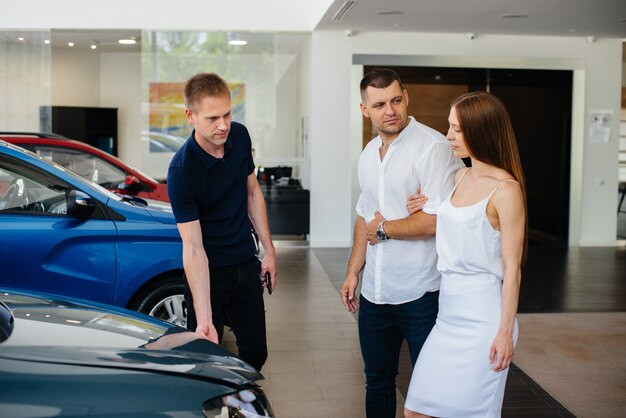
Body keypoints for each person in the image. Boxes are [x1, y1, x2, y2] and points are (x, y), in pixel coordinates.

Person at [341, 69, 464, 418]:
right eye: (379, 104)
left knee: (431, 386)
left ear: (406, 97)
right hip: (375, 295)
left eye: (396, 100)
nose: (390, 110)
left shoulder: (432, 147)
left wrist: (384, 230)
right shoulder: (367, 154)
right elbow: (364, 216)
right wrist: (353, 273)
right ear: (365, 110)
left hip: (421, 294)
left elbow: (435, 221)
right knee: (377, 381)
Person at [404, 91, 527, 418]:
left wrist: (504, 332)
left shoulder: (507, 190)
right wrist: (427, 204)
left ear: (481, 130)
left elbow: (513, 270)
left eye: (457, 129)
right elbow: (448, 216)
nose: (448, 136)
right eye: (449, 127)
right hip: (448, 315)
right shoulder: (459, 176)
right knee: (416, 410)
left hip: (484, 318)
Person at [167, 72, 277, 372]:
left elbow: (252, 192)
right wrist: (204, 318)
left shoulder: (239, 136)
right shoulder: (182, 170)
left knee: (257, 352)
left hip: (244, 263)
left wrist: (269, 251)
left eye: (227, 114)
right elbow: (193, 247)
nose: (223, 125)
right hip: (209, 272)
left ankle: (237, 397)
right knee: (204, 356)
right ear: (191, 116)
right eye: (213, 118)